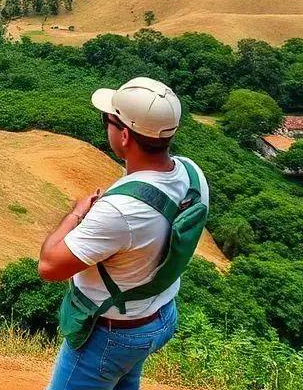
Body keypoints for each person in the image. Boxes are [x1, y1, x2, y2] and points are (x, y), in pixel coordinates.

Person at [38, 77, 209, 390]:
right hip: (159, 315)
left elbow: (49, 266)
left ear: (126, 135)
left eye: (108, 120)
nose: (106, 126)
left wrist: (76, 214)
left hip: (111, 333)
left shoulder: (120, 211)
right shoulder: (192, 175)